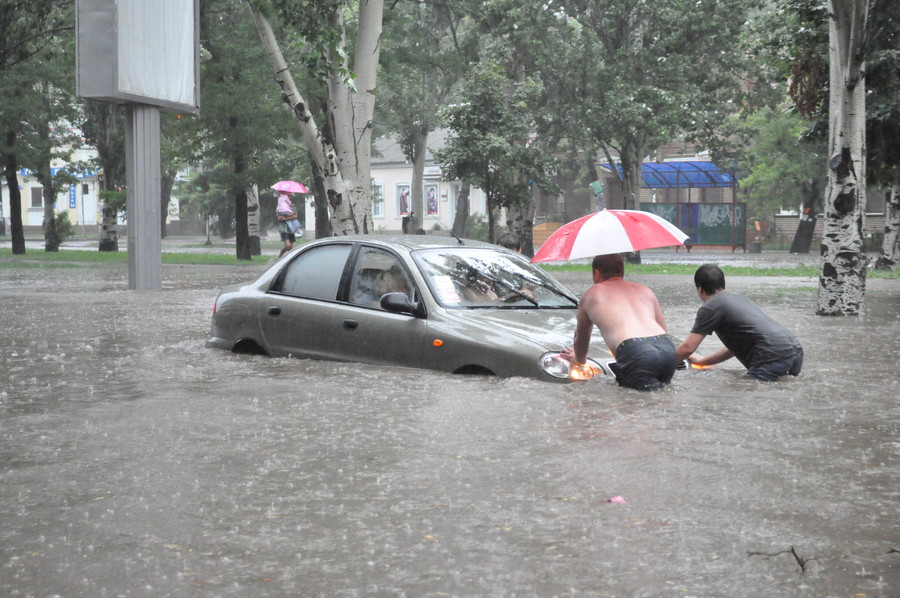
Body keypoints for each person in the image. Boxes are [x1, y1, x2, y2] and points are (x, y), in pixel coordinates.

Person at [563, 253, 677, 391]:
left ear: (596, 273)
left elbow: (582, 339)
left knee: (634, 408)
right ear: (622, 271)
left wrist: (579, 360)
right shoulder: (645, 290)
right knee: (661, 402)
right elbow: (663, 329)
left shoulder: (591, 295)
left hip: (636, 352)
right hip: (667, 349)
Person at [675, 264, 803, 381]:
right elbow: (733, 349)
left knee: (754, 396)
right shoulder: (742, 299)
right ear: (722, 285)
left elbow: (688, 348)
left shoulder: (710, 307)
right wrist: (703, 362)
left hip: (770, 355)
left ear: (700, 289)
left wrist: (663, 365)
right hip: (794, 349)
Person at [276, 191, 301, 257]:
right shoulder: (280, 206)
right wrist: (289, 216)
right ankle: (280, 257)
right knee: (288, 246)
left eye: (290, 195)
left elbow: (295, 216)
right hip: (284, 228)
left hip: (291, 228)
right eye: (288, 195)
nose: (290, 197)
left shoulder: (292, 205)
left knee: (290, 248)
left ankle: (287, 260)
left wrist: (286, 218)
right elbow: (279, 218)